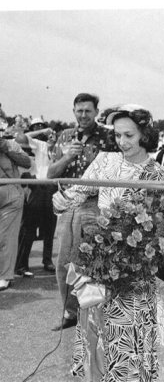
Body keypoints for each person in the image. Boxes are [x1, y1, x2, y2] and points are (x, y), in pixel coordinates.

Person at [53, 104, 164, 382]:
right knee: (97, 340)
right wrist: (60, 201)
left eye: (129, 135)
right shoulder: (106, 162)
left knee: (129, 346)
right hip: (99, 267)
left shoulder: (159, 175)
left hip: (135, 273)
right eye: (118, 135)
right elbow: (77, 194)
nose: (122, 142)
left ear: (145, 133)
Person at [47, 93, 118, 331]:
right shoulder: (65, 136)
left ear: (97, 112)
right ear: (73, 111)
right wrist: (68, 155)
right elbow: (51, 174)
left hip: (95, 204)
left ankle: (95, 316)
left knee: (92, 262)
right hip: (68, 204)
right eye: (79, 111)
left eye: (88, 111)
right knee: (63, 262)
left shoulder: (109, 137)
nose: (83, 115)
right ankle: (69, 312)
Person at [14, 120, 58, 276]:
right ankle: (21, 264)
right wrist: (42, 131)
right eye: (36, 127)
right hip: (36, 187)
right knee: (29, 228)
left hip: (52, 188)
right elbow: (21, 137)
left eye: (42, 126)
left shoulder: (59, 148)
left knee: (50, 228)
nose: (40, 130)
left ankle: (47, 261)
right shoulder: (39, 145)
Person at [0, 131, 31, 291]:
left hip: (11, 193)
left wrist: (5, 148)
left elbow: (27, 163)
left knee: (7, 237)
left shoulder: (10, 144)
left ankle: (5, 276)